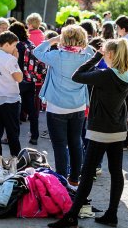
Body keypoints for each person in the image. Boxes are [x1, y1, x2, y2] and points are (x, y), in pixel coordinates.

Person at [48, 39, 128, 228]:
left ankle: (71, 216)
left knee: (86, 174)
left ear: (109, 54)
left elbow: (77, 75)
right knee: (116, 171)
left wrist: (96, 56)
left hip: (100, 129)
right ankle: (112, 213)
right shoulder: (126, 74)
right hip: (118, 129)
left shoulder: (106, 75)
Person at [34, 26, 94, 186]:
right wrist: (82, 41)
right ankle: (75, 178)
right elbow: (93, 52)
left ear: (63, 39)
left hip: (56, 106)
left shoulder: (56, 56)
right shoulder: (86, 56)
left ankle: (61, 180)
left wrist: (52, 40)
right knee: (75, 142)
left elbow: (37, 52)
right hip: (78, 106)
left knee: (60, 145)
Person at [0, 31, 23, 157]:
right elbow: (19, 78)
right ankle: (17, 161)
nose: (15, 49)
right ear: (7, 44)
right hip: (10, 100)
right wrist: (16, 59)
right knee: (12, 132)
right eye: (14, 45)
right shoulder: (10, 59)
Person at [9, 22, 42, 145]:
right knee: (32, 110)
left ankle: (11, 137)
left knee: (14, 110)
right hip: (30, 80)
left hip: (18, 80)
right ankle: (34, 136)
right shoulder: (30, 44)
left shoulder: (16, 46)